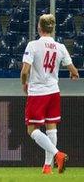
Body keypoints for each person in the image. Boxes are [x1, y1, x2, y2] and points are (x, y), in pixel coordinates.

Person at [21, 14, 79, 174]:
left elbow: (25, 71)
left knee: (32, 130)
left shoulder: (33, 45)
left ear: (39, 28)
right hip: (54, 92)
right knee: (51, 128)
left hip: (38, 92)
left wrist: (24, 84)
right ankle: (47, 166)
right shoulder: (60, 47)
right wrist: (73, 75)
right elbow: (73, 70)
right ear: (52, 29)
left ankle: (57, 154)